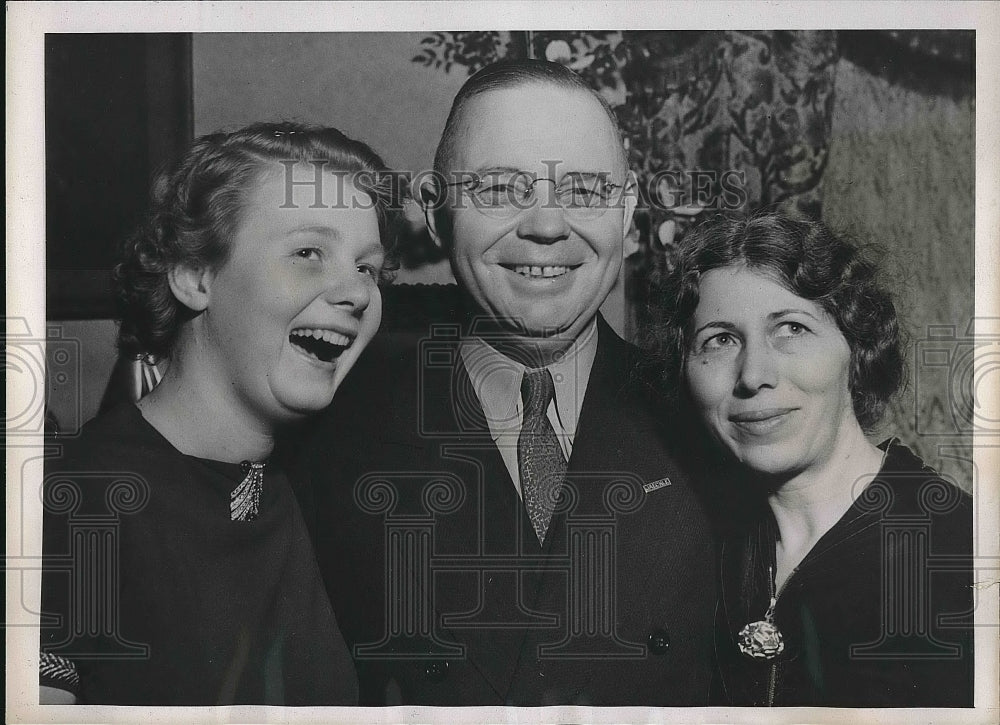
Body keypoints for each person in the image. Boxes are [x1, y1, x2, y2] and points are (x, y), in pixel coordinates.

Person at [298, 59, 717, 705]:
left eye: (583, 190)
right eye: (499, 190)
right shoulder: (327, 432)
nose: (547, 226)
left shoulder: (714, 416)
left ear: (628, 214)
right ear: (436, 214)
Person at [39, 122, 399, 705]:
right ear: (196, 276)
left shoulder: (338, 492)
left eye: (367, 268)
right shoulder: (68, 502)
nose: (356, 292)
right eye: (308, 252)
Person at [646, 212, 974, 706]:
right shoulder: (693, 548)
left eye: (791, 329)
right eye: (719, 339)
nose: (753, 374)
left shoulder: (963, 553)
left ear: (857, 349)